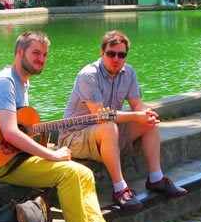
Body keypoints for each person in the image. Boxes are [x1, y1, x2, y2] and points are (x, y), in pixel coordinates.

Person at [0, 31, 139, 222]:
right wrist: (51, 154)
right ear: (19, 52)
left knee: (83, 173)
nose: (41, 59)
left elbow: (17, 130)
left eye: (44, 55)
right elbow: (11, 132)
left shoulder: (21, 82)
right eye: (36, 53)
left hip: (12, 156)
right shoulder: (6, 82)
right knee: (70, 172)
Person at [59, 30, 187, 211]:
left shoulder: (129, 73)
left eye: (121, 55)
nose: (116, 59)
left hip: (106, 134)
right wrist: (136, 116)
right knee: (109, 125)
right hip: (75, 137)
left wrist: (145, 113)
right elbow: (101, 116)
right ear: (102, 53)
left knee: (148, 123)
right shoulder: (88, 75)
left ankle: (156, 178)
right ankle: (120, 189)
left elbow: (137, 104)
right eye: (111, 54)